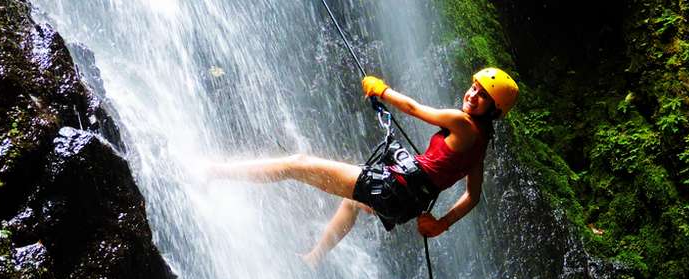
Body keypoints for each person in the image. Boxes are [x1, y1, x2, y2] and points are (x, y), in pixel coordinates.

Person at [207, 67, 518, 267]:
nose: (473, 95)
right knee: (352, 202)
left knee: (296, 164)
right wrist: (440, 225)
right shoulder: (481, 146)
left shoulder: (462, 123)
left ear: (494, 109)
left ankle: (215, 173)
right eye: (474, 88)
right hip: (407, 203)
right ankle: (315, 258)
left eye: (483, 96)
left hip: (393, 188)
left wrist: (381, 89)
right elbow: (473, 196)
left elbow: (413, 109)